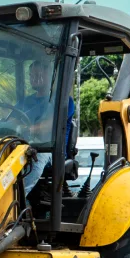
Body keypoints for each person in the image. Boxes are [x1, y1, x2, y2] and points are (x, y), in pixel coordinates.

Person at [17, 60, 75, 196]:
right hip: (25, 147)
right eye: (31, 75)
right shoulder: (25, 102)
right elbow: (13, 119)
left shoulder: (63, 101)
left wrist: (28, 129)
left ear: (49, 75)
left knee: (37, 157)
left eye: (38, 74)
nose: (34, 78)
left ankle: (17, 199)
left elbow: (48, 126)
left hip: (51, 149)